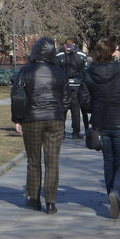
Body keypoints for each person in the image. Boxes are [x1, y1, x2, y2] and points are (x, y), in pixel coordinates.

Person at [11, 37, 70, 214]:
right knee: (52, 162)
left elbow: (17, 96)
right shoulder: (59, 72)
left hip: (32, 118)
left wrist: (18, 118)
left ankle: (34, 198)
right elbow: (66, 99)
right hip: (54, 118)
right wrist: (60, 115)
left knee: (33, 160)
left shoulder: (26, 71)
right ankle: (51, 202)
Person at [79, 38, 120, 219]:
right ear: (111, 52)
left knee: (109, 161)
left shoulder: (89, 73)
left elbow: (84, 99)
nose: (119, 51)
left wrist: (92, 108)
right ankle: (117, 193)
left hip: (101, 123)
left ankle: (113, 194)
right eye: (117, 49)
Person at [57, 41, 89, 138]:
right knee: (76, 110)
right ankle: (76, 132)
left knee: (63, 109)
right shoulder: (81, 55)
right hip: (77, 85)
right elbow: (86, 70)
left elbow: (56, 70)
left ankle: (61, 132)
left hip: (64, 85)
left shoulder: (59, 55)